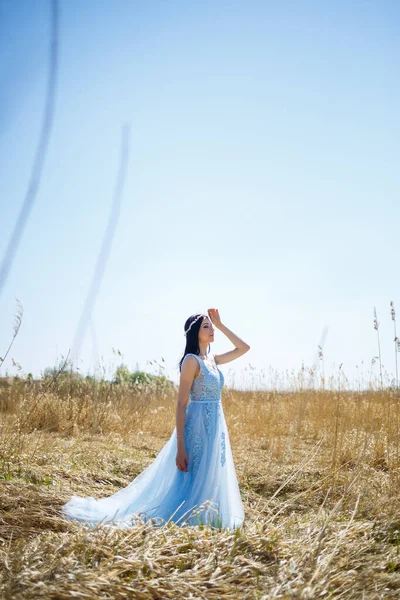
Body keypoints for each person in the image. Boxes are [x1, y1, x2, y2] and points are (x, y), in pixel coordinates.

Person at [60, 308, 250, 530]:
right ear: (195, 333)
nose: (211, 329)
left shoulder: (212, 360)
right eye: (206, 326)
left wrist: (221, 324)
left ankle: (208, 517)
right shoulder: (191, 361)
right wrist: (180, 445)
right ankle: (188, 517)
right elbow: (181, 404)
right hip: (197, 426)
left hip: (217, 425)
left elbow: (243, 348)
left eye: (211, 326)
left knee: (211, 471)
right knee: (193, 475)